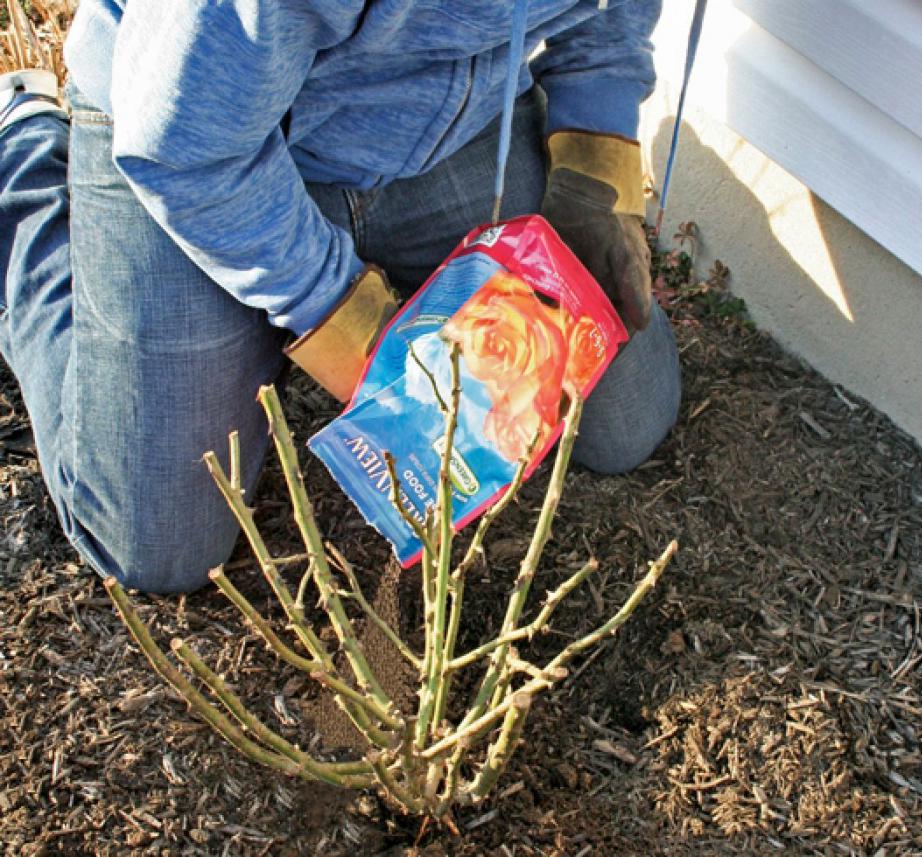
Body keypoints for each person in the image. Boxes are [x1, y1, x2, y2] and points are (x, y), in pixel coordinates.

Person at [0, 1, 680, 594]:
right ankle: (22, 158)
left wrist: (598, 155)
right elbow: (185, 147)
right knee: (162, 543)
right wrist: (349, 324)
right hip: (194, 128)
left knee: (625, 416)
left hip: (435, 131)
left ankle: (266, 286)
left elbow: (607, 11)